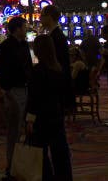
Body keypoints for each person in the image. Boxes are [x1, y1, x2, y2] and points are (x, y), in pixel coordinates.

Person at [26, 35, 73, 181]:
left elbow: (34, 98)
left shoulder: (37, 71)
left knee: (40, 153)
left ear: (38, 50)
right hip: (56, 114)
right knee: (60, 153)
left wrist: (29, 119)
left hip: (41, 118)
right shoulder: (58, 69)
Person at [0, 16, 32, 181]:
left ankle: (22, 165)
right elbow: (3, 72)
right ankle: (10, 167)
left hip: (26, 89)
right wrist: (8, 92)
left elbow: (28, 67)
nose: (27, 29)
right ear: (17, 29)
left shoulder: (25, 45)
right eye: (25, 27)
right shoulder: (4, 47)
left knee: (27, 129)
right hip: (13, 91)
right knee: (14, 131)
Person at [40, 5, 75, 112]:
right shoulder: (55, 35)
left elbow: (56, 63)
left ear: (49, 17)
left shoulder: (56, 37)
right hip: (58, 83)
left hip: (57, 84)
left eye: (42, 16)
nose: (40, 18)